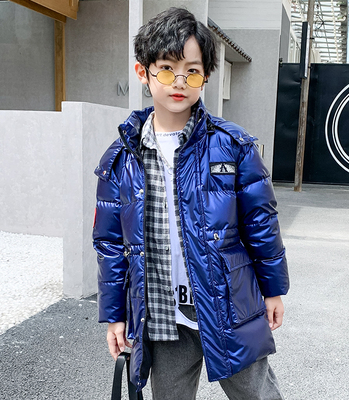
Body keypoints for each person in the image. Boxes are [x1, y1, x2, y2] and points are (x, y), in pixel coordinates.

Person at [93, 7, 289, 400]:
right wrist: (114, 315)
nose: (179, 82)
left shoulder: (233, 145)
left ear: (206, 76)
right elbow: (110, 245)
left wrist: (273, 290)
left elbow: (261, 223)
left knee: (258, 394)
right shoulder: (121, 157)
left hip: (228, 303)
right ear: (143, 72)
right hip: (162, 313)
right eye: (167, 69)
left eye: (192, 71)